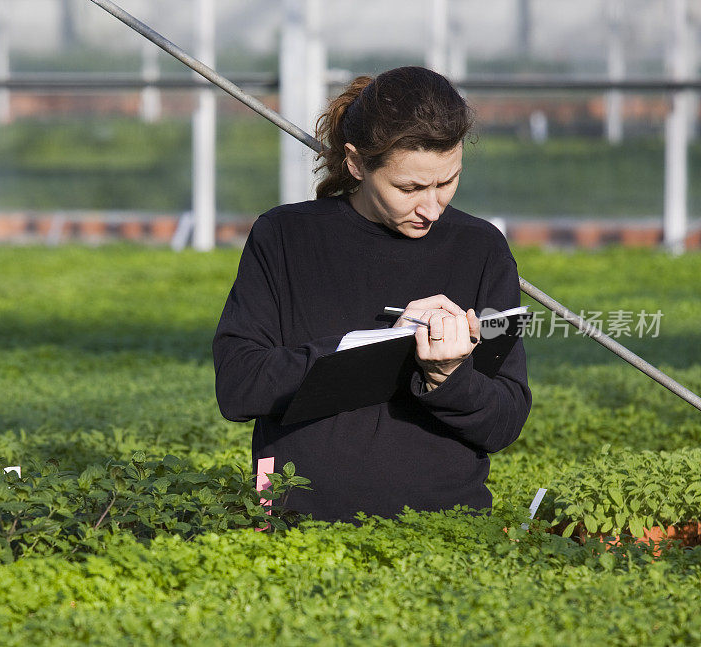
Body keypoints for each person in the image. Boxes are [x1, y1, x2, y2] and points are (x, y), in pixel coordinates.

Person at [213, 66, 531, 523]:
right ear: (356, 163)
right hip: (295, 519)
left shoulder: (480, 249)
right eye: (409, 188)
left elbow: (504, 420)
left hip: (444, 527)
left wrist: (448, 375)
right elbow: (239, 387)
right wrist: (370, 348)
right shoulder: (285, 236)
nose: (431, 208)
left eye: (447, 182)